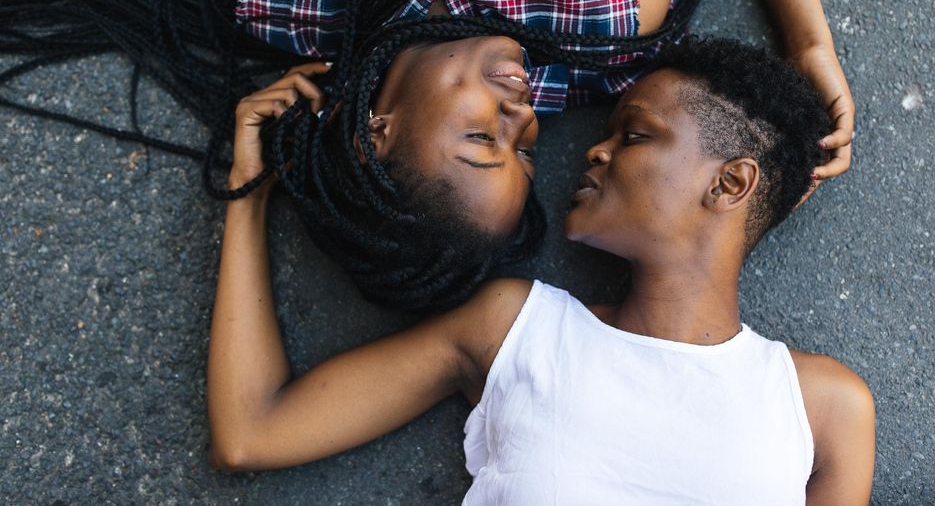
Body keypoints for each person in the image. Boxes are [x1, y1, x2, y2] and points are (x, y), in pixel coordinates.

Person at [0, 0, 855, 310]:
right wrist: (808, 40)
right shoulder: (597, 21)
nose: (524, 116)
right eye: (526, 149)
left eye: (483, 136)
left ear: (373, 134)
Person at [207, 36, 875, 504]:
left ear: (730, 183)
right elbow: (251, 430)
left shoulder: (825, 408)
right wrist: (249, 191)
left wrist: (811, 45)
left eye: (635, 135)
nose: (594, 151)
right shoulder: (516, 330)